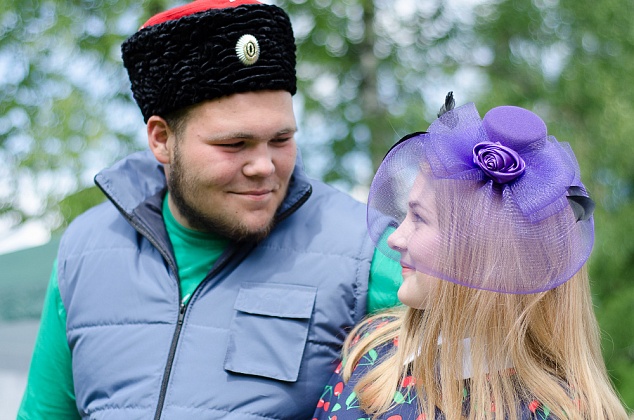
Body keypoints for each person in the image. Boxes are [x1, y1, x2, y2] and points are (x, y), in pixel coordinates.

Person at [17, 1, 402, 419]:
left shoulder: (372, 249)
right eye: (234, 144)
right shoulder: (83, 249)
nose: (264, 166)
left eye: (281, 139)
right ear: (161, 139)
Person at [313, 98, 629, 419]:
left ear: (485, 258)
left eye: (419, 218)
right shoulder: (371, 347)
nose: (395, 238)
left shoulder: (551, 413)